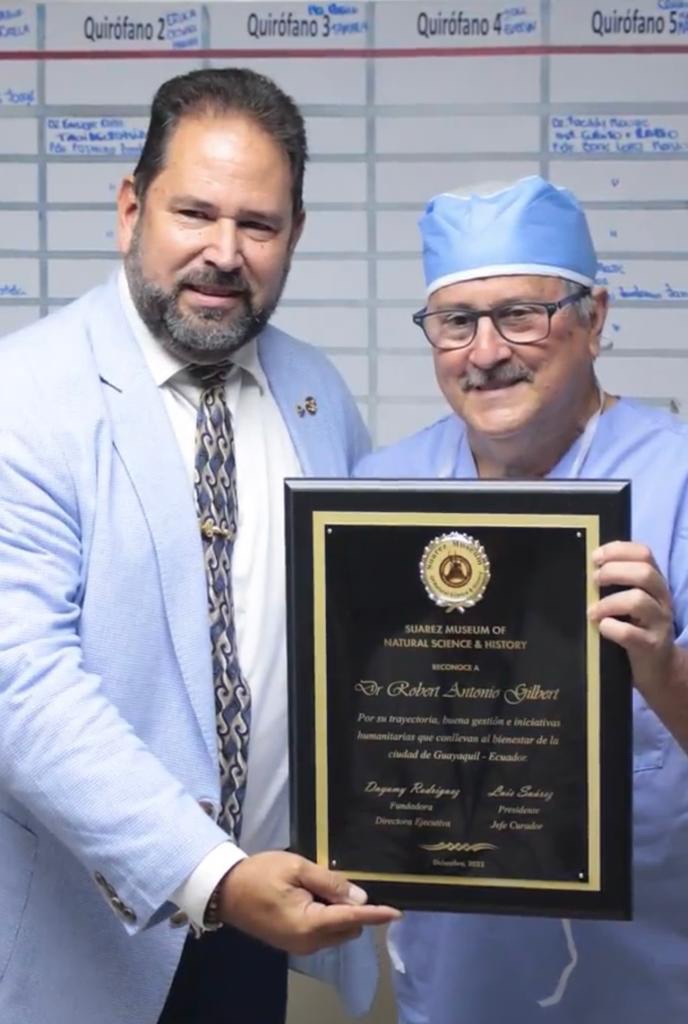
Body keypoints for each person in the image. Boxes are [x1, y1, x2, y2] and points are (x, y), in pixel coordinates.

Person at [0, 67, 398, 1024]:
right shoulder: (24, 396)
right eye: (195, 213)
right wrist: (211, 873)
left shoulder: (316, 393)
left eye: (258, 224)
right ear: (130, 209)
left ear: (294, 234)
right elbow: (20, 684)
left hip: (266, 915)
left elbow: (363, 633)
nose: (225, 252)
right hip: (88, 930)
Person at [356, 175, 688, 1023]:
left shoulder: (678, 480)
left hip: (650, 979)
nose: (485, 351)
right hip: (454, 982)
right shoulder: (378, 495)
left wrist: (660, 666)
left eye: (520, 315)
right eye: (455, 322)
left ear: (595, 318)